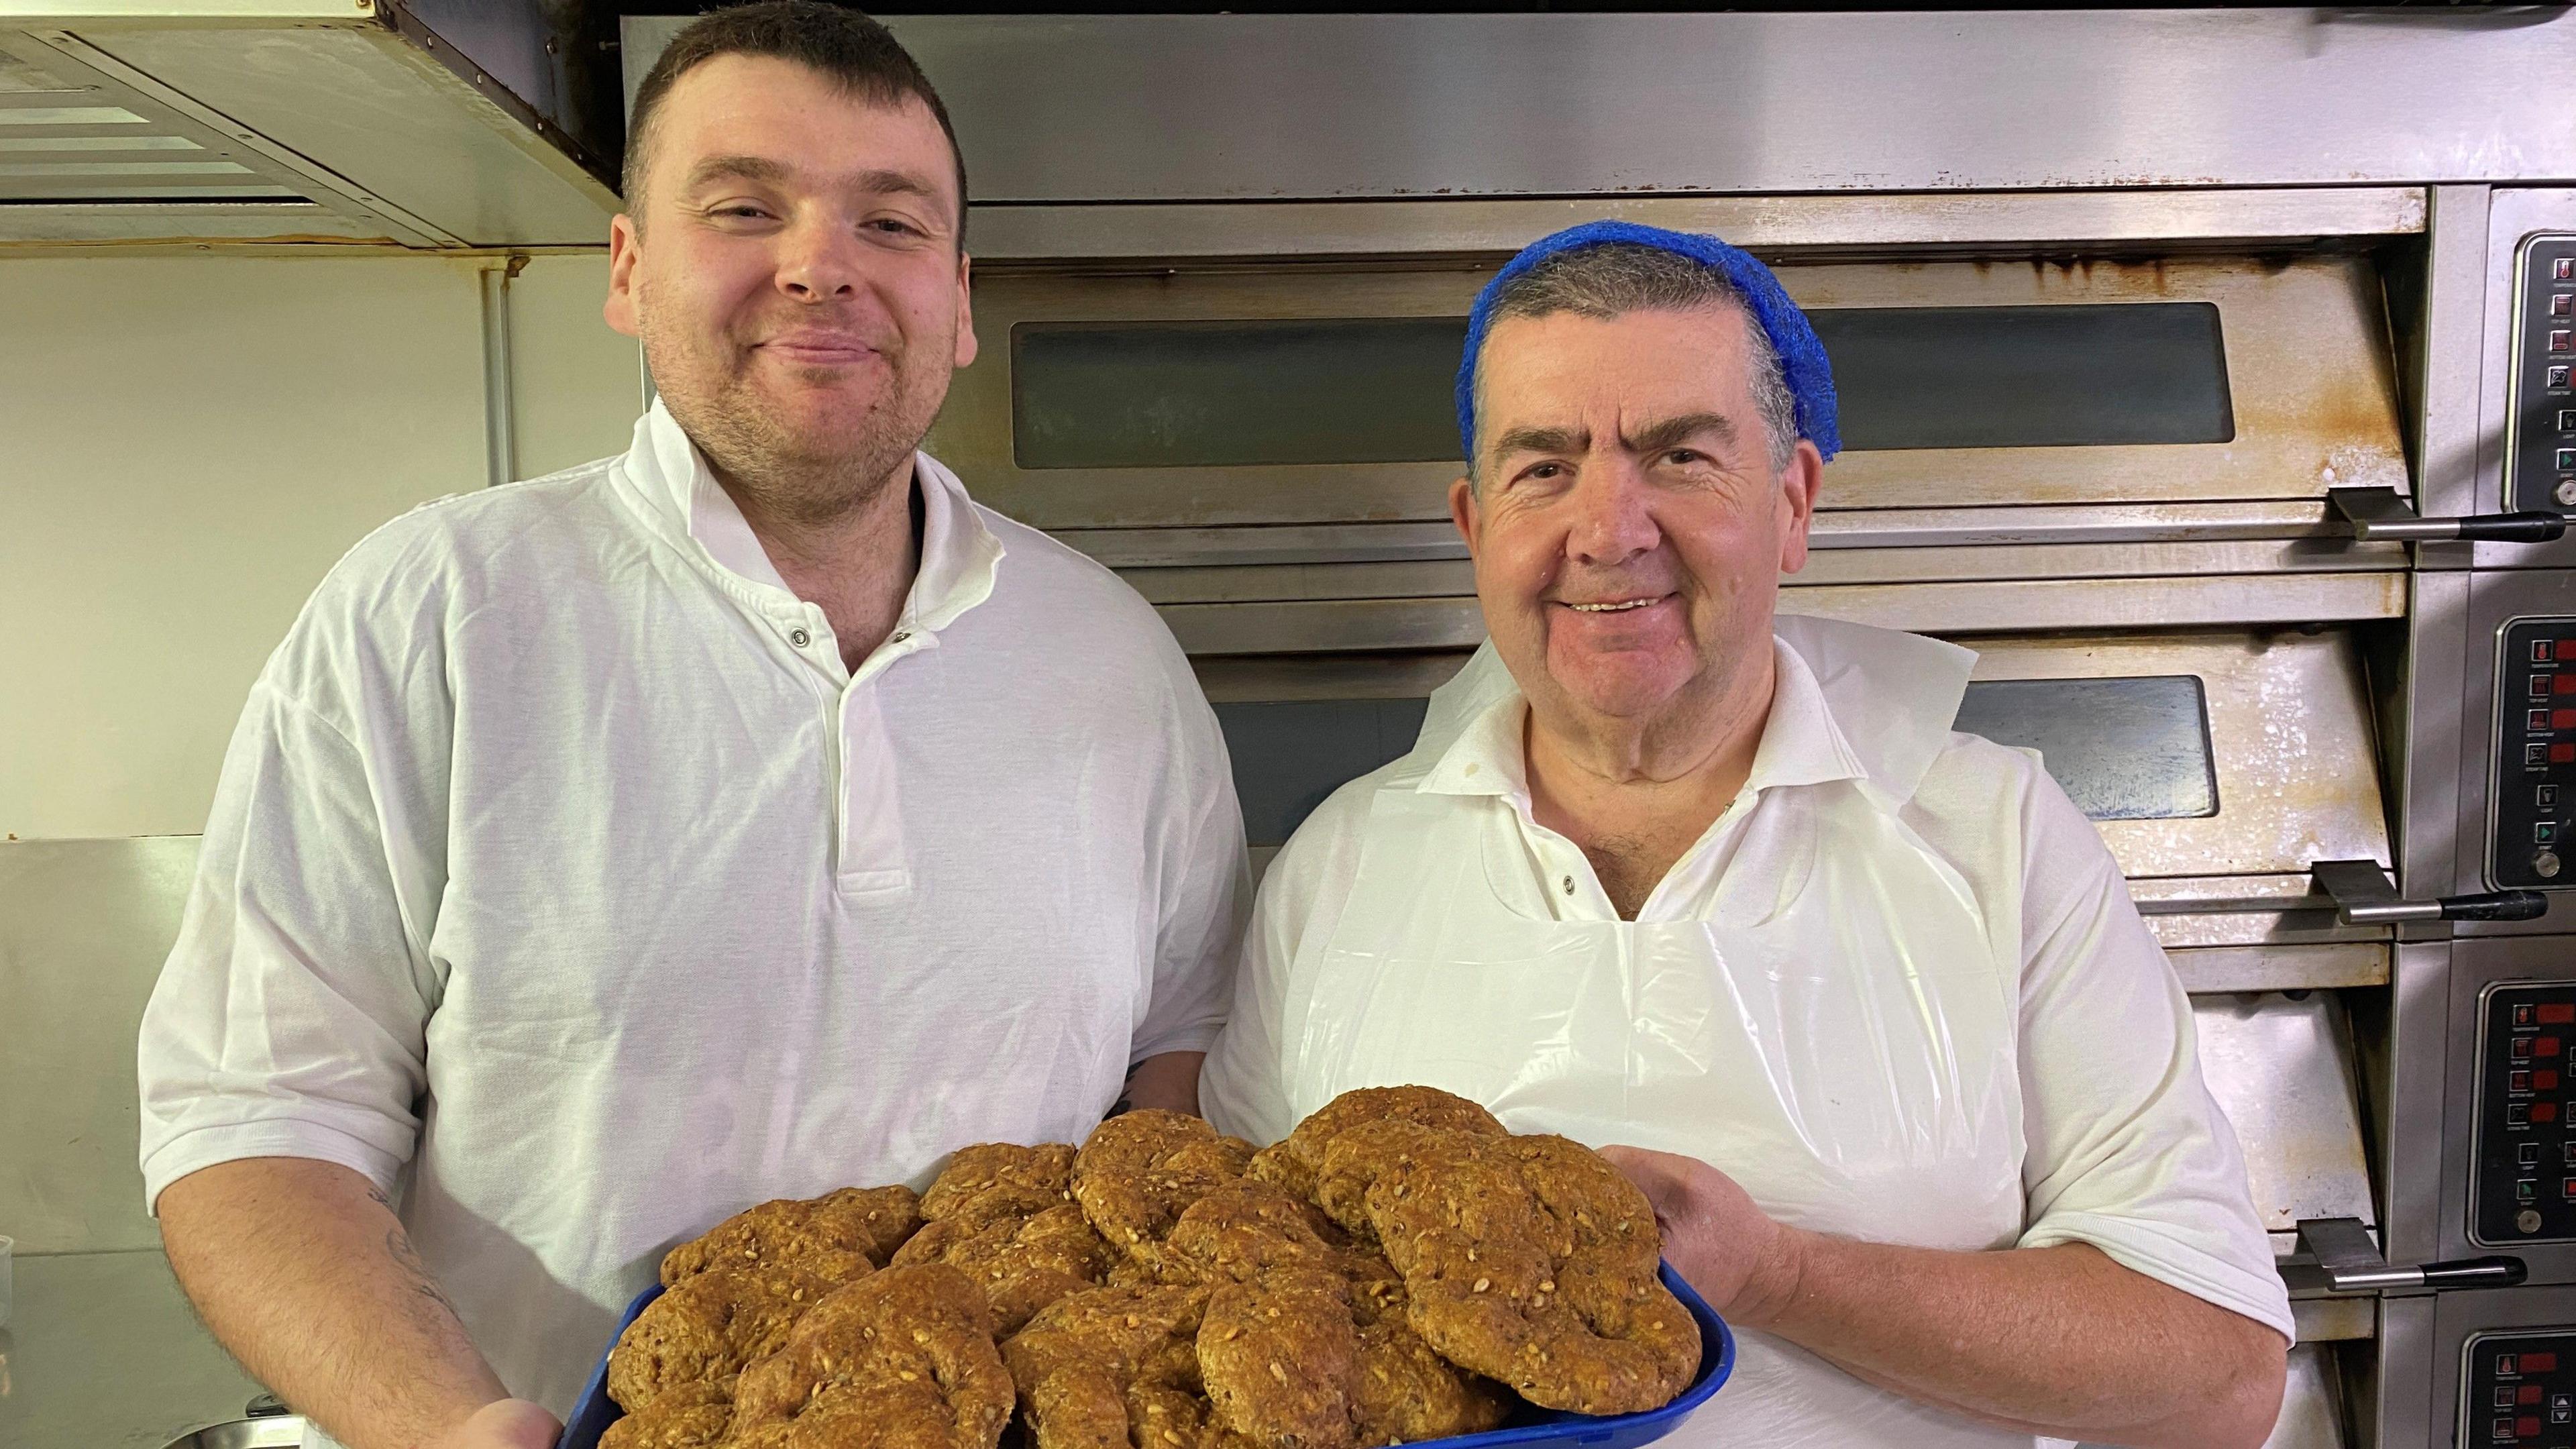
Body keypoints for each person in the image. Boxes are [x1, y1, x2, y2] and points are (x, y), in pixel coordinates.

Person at [136, 7, 1244, 1447]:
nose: (820, 264)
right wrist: (445, 1428)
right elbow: (257, 1119)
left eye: (889, 222)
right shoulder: (435, 614)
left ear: (958, 302)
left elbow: (1180, 1065)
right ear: (629, 268)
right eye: (743, 207)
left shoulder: (1113, 656)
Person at [1200, 221, 2292, 1449]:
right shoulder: (1339, 869)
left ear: (1792, 504)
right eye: (1543, 468)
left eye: (1678, 457)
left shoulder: (1997, 841)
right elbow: (1222, 1304)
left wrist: (1776, 1276)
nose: (1608, 531)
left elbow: (2216, 1379)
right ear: (1472, 523)